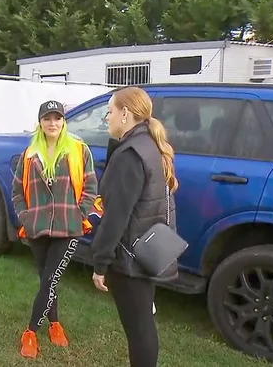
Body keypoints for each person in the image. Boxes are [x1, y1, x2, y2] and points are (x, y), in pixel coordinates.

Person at [90, 86, 178, 367]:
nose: (107, 118)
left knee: (139, 330)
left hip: (130, 257)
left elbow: (116, 217)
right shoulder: (149, 145)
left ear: (125, 114)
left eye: (110, 112)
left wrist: (100, 263)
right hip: (147, 250)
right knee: (143, 324)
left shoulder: (130, 154)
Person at [11, 100, 98, 359]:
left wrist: (79, 212)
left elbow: (90, 185)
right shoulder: (30, 154)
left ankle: (30, 331)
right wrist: (25, 216)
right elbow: (17, 190)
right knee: (48, 280)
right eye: (47, 118)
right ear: (40, 122)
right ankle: (55, 323)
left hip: (68, 227)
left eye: (57, 118)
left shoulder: (78, 150)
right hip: (37, 226)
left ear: (64, 121)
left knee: (50, 279)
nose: (52, 123)